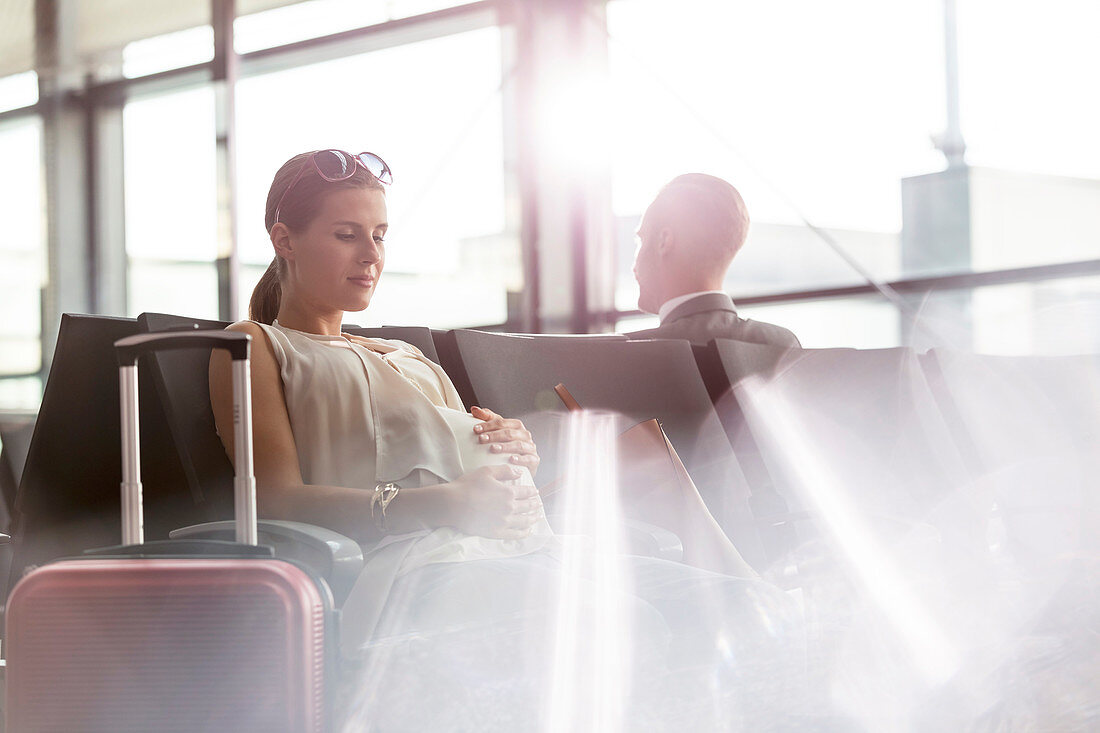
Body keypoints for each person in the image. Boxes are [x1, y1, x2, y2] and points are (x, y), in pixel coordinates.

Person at [209, 150, 802, 730]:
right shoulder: (255, 345)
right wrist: (441, 503)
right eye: (347, 235)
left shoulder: (404, 354)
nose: (371, 256)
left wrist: (511, 449)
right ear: (284, 239)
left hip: (519, 546)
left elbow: (458, 464)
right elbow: (273, 498)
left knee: (736, 603)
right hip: (413, 565)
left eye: (380, 236)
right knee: (631, 621)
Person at [627, 173, 801, 348]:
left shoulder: (621, 354)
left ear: (663, 241)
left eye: (641, 240)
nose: (634, 266)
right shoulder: (783, 344)